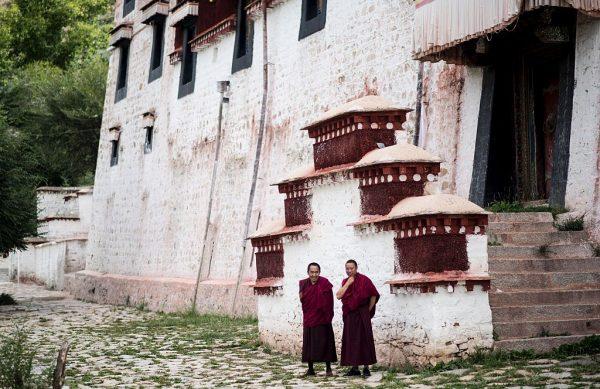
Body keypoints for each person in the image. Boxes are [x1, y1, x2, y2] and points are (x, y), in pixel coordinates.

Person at [336, 259, 380, 377]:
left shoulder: (364, 280)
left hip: (362, 314)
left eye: (351, 268)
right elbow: (339, 295)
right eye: (347, 269)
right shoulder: (345, 281)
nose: (349, 271)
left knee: (364, 339)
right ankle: (354, 368)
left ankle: (366, 368)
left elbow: (374, 295)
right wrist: (348, 283)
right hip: (350, 315)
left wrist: (368, 310)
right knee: (351, 340)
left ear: (356, 268)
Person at [299, 262, 337, 376]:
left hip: (323, 318)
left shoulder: (325, 283)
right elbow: (302, 298)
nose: (314, 275)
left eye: (316, 272)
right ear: (308, 272)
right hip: (310, 317)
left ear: (319, 272)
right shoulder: (303, 283)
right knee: (309, 343)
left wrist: (328, 316)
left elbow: (330, 301)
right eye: (312, 272)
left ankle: (328, 369)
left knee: (326, 342)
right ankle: (311, 369)